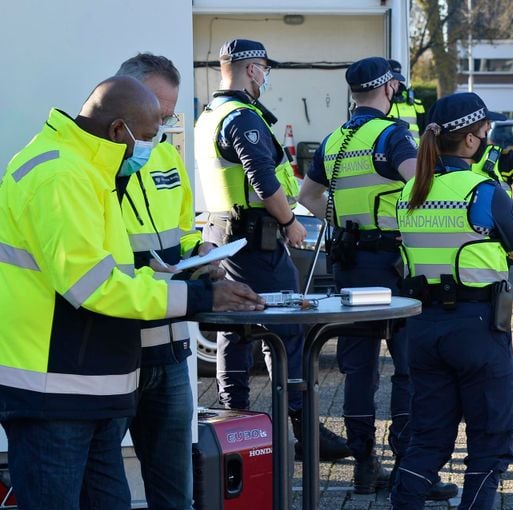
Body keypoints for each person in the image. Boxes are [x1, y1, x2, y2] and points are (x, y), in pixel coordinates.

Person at [0, 75, 263, 510]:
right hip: (55, 397)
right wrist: (199, 298)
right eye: (145, 135)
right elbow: (95, 288)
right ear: (118, 130)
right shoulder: (62, 175)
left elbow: (112, 276)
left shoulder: (84, 169)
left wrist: (190, 281)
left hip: (87, 390)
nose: (150, 146)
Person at [298, 56, 457, 499]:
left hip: (350, 264)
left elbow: (307, 195)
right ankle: (409, 466)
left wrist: (344, 224)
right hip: (392, 266)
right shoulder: (392, 136)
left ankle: (364, 465)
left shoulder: (335, 140)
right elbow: (423, 186)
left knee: (359, 368)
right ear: (388, 88)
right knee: (408, 367)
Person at [194, 39, 350, 460]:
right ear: (250, 69)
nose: (265, 76)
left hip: (224, 237)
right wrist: (290, 221)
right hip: (256, 242)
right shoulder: (242, 118)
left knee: (235, 329)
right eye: (264, 68)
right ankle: (304, 430)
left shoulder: (209, 114)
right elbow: (264, 182)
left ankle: (234, 421)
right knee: (288, 329)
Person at [391, 92, 513, 509]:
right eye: (486, 131)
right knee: (490, 441)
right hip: (477, 328)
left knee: (428, 439)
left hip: (423, 327)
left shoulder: (410, 191)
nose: (488, 139)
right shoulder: (484, 190)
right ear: (470, 140)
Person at [116, 53, 219, 509]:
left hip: (173, 349)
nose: (159, 124)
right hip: (115, 348)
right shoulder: (92, 169)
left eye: (168, 114)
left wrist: (200, 251)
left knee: (176, 490)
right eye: (154, 111)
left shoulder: (166, 158)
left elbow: (183, 229)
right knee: (100, 484)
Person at [387, 59, 426, 143]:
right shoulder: (380, 99)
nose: (394, 82)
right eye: (392, 78)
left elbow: (423, 124)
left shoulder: (413, 97)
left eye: (397, 78)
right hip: (388, 149)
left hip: (413, 149)